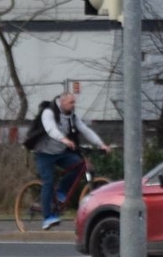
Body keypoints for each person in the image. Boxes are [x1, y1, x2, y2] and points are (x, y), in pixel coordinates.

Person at [31, 86, 110, 229]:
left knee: (80, 165)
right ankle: (47, 218)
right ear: (62, 102)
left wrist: (101, 144)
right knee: (48, 181)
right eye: (71, 102)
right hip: (44, 154)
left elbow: (85, 130)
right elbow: (51, 129)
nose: (74, 105)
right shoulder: (49, 112)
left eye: (74, 103)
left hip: (60, 152)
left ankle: (61, 191)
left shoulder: (72, 116)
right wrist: (64, 140)